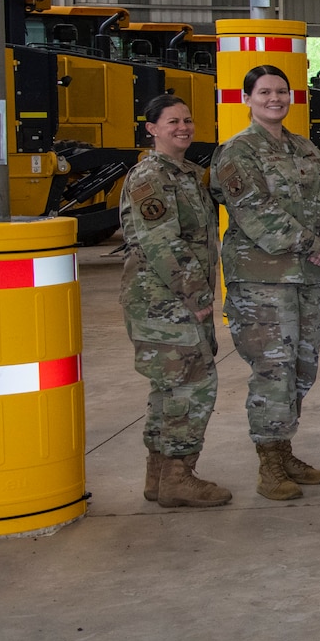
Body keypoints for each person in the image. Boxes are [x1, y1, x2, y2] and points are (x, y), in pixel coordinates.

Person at [211, 65, 320, 501]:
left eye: (282, 92)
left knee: (303, 367)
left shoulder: (306, 149)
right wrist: (313, 244)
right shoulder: (236, 152)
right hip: (261, 281)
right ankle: (269, 462)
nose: (275, 99)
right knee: (273, 369)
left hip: (307, 278)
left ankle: (285, 449)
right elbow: (255, 212)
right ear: (247, 98)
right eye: (264, 92)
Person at [120, 94, 230, 507]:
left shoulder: (185, 173)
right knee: (194, 385)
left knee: (168, 388)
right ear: (151, 128)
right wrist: (198, 295)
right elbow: (160, 240)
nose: (183, 127)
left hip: (175, 302)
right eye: (172, 121)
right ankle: (179, 476)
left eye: (187, 120)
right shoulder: (150, 177)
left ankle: (159, 477)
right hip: (164, 302)